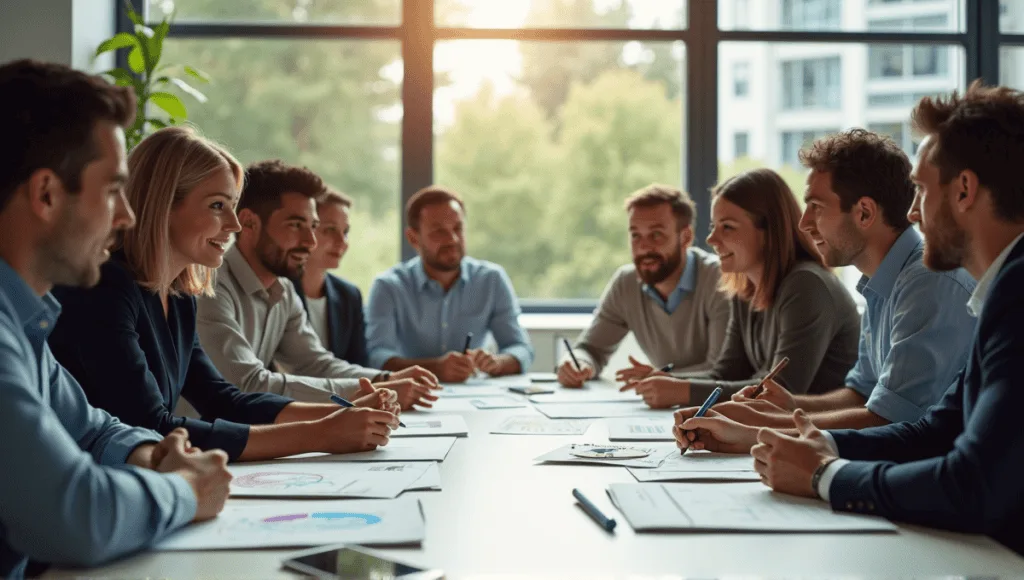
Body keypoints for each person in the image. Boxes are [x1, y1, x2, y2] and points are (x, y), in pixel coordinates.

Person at [677, 83, 1024, 556]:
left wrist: (824, 475)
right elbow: (934, 431)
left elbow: (972, 484)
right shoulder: (999, 290)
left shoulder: (1008, 294)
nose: (913, 212)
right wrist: (772, 435)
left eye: (922, 191)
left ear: (963, 190)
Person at [0, 59, 230, 579]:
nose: (126, 216)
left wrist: (156, 453)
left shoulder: (25, 322)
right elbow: (74, 517)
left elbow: (93, 430)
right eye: (111, 191)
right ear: (46, 194)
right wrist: (186, 489)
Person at [49, 127, 400, 463]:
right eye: (218, 206)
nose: (234, 225)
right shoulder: (103, 290)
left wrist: (342, 413)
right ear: (163, 205)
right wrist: (321, 434)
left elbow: (222, 398)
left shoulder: (179, 295)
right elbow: (151, 427)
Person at [705, 129, 976, 431]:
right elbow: (862, 394)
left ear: (864, 213)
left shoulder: (928, 282)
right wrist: (789, 405)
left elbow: (892, 418)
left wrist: (761, 426)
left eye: (817, 207)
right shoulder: (880, 285)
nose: (804, 223)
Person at [196, 160, 439, 410]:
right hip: (197, 432)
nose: (310, 241)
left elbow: (314, 364)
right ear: (248, 223)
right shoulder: (209, 287)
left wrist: (385, 379)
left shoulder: (283, 290)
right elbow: (247, 384)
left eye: (313, 226)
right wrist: (368, 390)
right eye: (295, 225)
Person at [623, 168, 860, 408]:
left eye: (727, 227)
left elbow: (779, 392)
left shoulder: (806, 286)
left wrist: (681, 390)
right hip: (783, 427)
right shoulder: (745, 290)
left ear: (769, 231)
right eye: (713, 226)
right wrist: (667, 381)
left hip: (825, 429)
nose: (711, 239)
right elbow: (726, 373)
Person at [557, 184, 730, 387]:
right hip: (664, 402)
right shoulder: (626, 283)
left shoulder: (720, 279)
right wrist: (576, 363)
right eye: (635, 235)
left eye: (656, 235)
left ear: (686, 237)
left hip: (720, 402)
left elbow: (721, 370)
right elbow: (590, 349)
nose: (643, 247)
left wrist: (662, 380)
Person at [366, 185, 535, 383]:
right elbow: (377, 356)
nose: (452, 239)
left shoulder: (491, 279)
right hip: (410, 393)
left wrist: (498, 363)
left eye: (458, 228)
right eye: (439, 231)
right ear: (413, 238)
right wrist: (436, 368)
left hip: (474, 394)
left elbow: (522, 349)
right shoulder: (388, 287)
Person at [295, 188, 369, 366]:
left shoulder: (349, 295)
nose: (342, 242)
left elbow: (360, 364)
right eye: (329, 230)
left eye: (345, 232)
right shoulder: (277, 290)